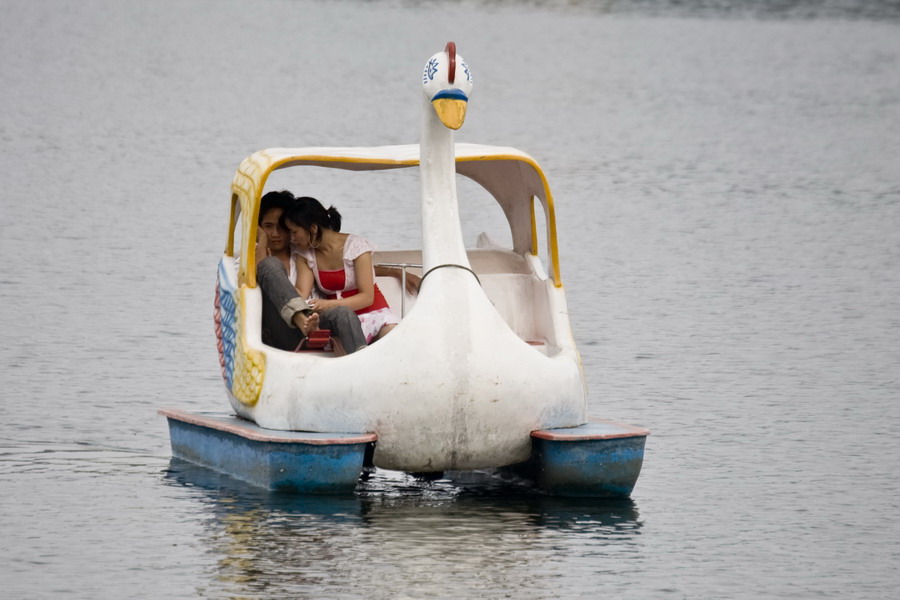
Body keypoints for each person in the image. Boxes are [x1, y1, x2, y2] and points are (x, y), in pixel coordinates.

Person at [253, 192, 367, 355]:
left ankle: (362, 361)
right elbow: (245, 288)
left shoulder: (305, 252)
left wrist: (394, 271)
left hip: (315, 325)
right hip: (280, 330)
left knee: (344, 313)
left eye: (282, 227)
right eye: (268, 226)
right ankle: (301, 318)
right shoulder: (248, 260)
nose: (275, 234)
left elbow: (347, 264)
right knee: (269, 265)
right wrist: (261, 243)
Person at [285, 197, 400, 343]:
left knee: (392, 338)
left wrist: (327, 304)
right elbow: (301, 292)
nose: (291, 238)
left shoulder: (356, 246)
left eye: (294, 232)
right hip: (341, 322)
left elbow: (367, 297)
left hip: (375, 315)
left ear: (313, 228)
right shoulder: (305, 254)